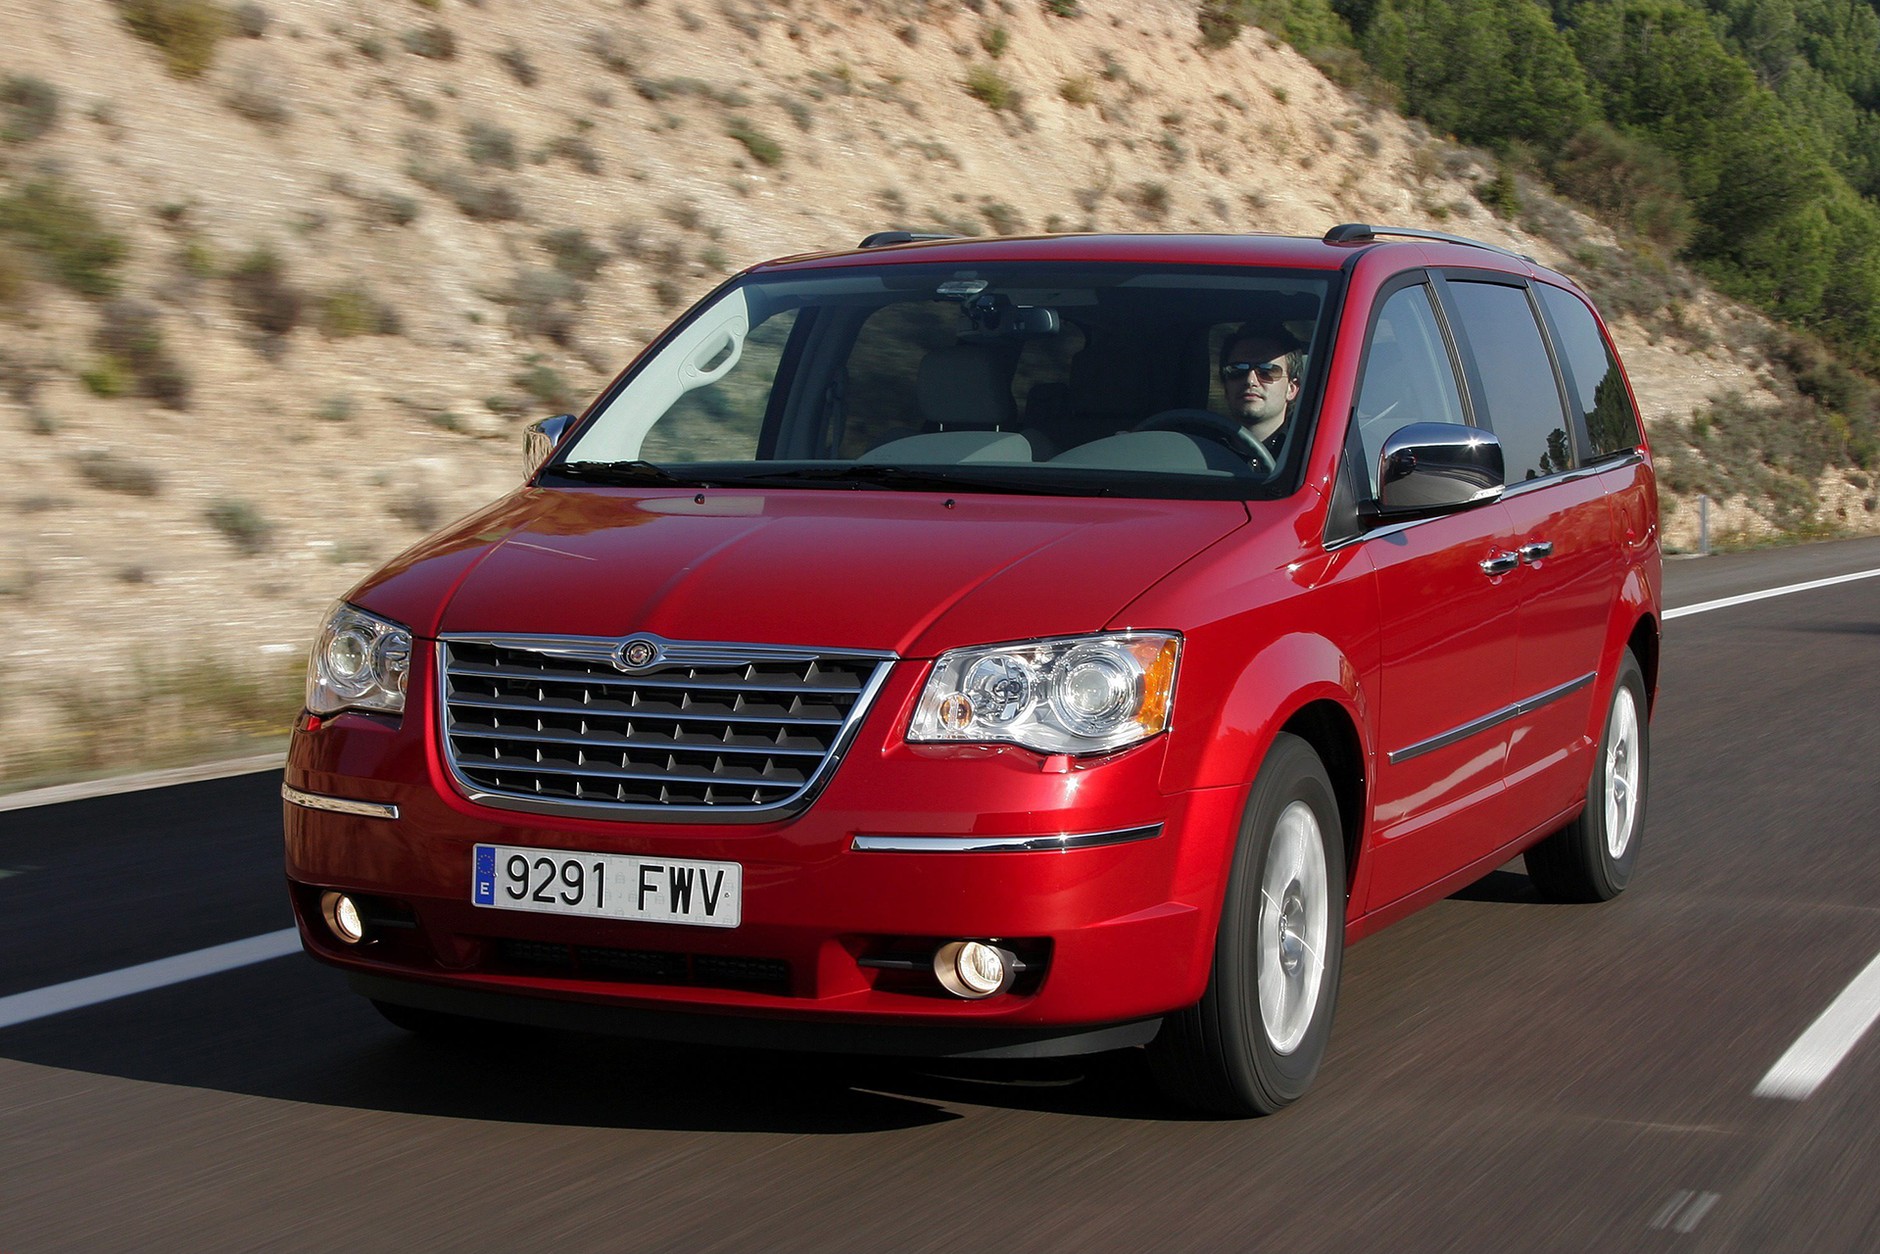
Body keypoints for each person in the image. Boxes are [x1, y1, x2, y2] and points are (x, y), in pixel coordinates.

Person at [1219, 324, 1304, 458]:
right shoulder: (1198, 448)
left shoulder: (1307, 453)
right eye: (1237, 369)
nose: (1250, 380)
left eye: (1267, 370)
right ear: (1226, 387)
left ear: (1291, 389)